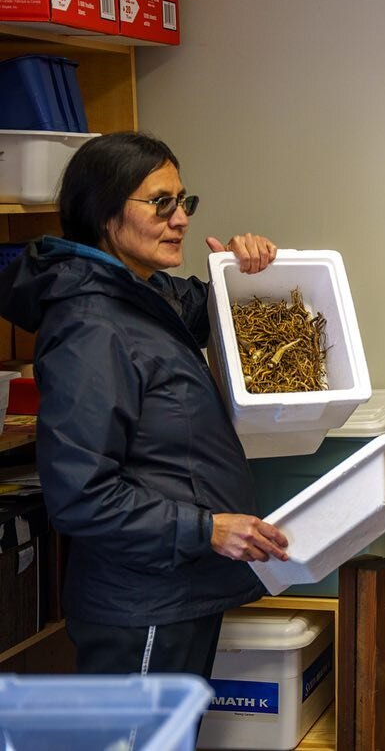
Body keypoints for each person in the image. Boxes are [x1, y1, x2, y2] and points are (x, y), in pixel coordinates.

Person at [0, 132, 291, 680]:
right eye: (161, 203)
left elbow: (210, 314)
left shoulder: (143, 293)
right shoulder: (90, 328)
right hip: (142, 603)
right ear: (104, 213)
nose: (179, 217)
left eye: (184, 202)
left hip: (176, 591)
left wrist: (247, 271)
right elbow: (81, 495)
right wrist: (206, 529)